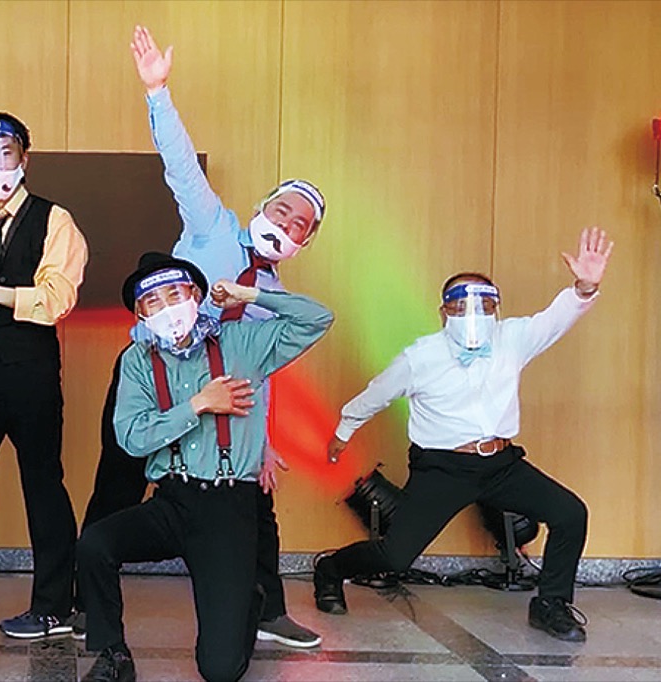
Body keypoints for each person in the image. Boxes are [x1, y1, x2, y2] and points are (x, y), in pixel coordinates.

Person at [78, 24, 326, 649]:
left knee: (256, 501)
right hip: (156, 374)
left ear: (304, 241)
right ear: (262, 207)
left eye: (300, 224)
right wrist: (157, 92)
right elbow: (181, 167)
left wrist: (262, 441)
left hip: (226, 405)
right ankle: (81, 603)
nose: (286, 223)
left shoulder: (271, 297)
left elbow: (263, 371)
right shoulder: (211, 226)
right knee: (117, 482)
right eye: (282, 209)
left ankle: (265, 610)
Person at [313, 228, 613, 643]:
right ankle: (330, 569)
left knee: (570, 513)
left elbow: (555, 320)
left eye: (485, 305)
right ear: (444, 313)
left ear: (496, 309)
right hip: (442, 469)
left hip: (501, 464)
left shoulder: (513, 338)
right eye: (461, 305)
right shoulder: (420, 357)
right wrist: (344, 431)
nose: (474, 313)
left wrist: (584, 287)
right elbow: (376, 394)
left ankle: (551, 604)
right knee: (395, 557)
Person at [77, 252, 333, 682]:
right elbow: (132, 437)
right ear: (141, 314)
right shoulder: (137, 360)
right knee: (94, 545)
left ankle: (246, 597)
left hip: (228, 507)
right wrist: (198, 404)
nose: (167, 308)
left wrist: (249, 295)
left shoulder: (241, 343)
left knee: (219, 670)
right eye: (153, 301)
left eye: (174, 294)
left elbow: (317, 319)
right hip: (171, 501)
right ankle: (112, 653)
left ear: (195, 295)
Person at [0, 111, 89, 639]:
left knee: (43, 485)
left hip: (31, 371)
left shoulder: (56, 220)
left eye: (5, 153)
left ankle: (54, 607)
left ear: (24, 158)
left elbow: (57, 299)